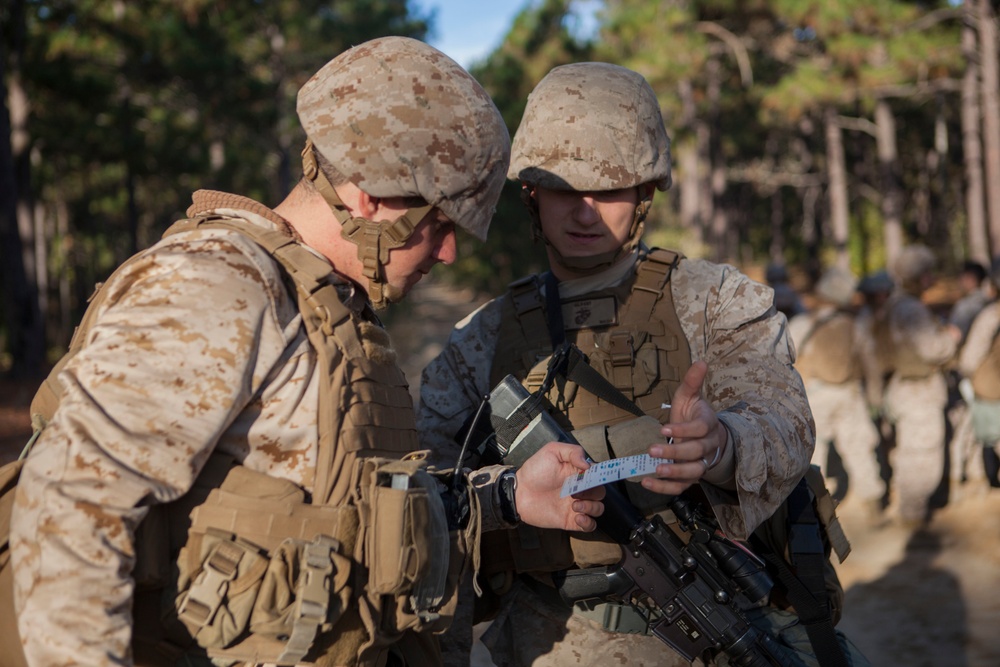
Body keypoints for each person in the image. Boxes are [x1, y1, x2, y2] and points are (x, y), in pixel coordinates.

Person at [7, 37, 605, 667]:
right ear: (370, 195)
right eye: (441, 224)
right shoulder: (218, 286)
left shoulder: (329, 306)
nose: (450, 253)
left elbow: (352, 522)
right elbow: (70, 514)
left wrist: (509, 496)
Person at [419, 62, 867, 667]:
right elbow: (427, 487)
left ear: (645, 193)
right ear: (531, 193)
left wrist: (721, 443)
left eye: (609, 189)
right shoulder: (482, 336)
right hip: (542, 641)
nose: (584, 211)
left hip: (712, 629)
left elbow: (785, 422)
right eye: (564, 190)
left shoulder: (715, 301)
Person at [788, 267, 887, 520]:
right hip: (849, 394)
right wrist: (876, 398)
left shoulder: (802, 324)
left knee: (813, 452)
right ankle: (873, 503)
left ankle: (813, 508)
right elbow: (870, 364)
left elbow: (784, 363)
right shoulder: (855, 325)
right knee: (858, 447)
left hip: (813, 396)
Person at [877, 244, 961, 527]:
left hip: (904, 386)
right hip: (919, 390)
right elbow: (932, 349)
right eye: (927, 273)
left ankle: (911, 510)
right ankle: (913, 516)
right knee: (922, 452)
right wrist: (951, 338)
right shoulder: (911, 309)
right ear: (916, 275)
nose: (932, 278)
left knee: (911, 449)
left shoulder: (895, 303)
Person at [957, 257, 1000, 489]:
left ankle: (989, 479)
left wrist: (966, 375)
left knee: (988, 438)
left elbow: (970, 358)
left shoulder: (991, 315)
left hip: (992, 390)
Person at [949, 260, 989, 344]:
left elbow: (956, 336)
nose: (959, 281)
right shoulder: (987, 300)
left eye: (962, 276)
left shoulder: (965, 306)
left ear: (971, 278)